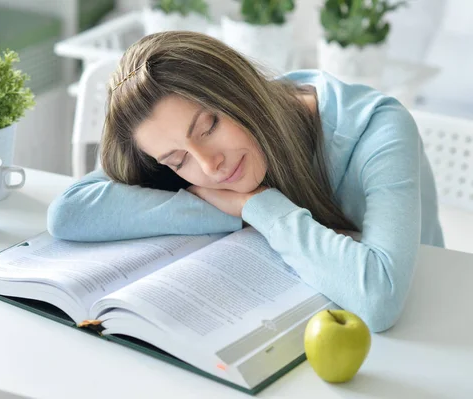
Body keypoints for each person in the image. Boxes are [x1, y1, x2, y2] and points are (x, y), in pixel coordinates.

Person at [47, 31, 444, 333]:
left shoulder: (378, 128)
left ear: (239, 91)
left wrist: (256, 206)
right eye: (178, 159)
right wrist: (230, 210)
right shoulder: (187, 161)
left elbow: (379, 297)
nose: (210, 165)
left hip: (428, 329)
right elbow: (69, 212)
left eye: (209, 126)